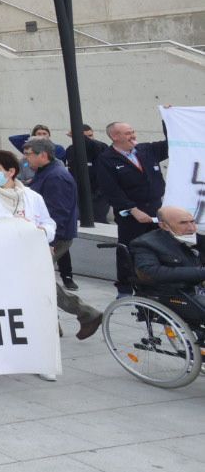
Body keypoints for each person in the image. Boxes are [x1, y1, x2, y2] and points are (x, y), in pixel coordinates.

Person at [0, 148, 102, 342]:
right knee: (36, 286)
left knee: (38, 286)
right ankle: (78, 315)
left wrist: (42, 234)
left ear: (11, 171)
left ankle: (63, 321)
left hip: (29, 251)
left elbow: (49, 223)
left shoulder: (31, 197)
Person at [95, 120, 170, 296]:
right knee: (127, 250)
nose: (133, 135)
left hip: (155, 210)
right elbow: (111, 190)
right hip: (130, 214)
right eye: (128, 133)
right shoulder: (106, 159)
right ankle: (125, 288)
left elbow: (171, 143)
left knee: (159, 248)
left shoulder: (147, 150)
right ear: (115, 136)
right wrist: (133, 210)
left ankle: (154, 285)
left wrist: (167, 118)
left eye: (133, 131)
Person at [24, 138, 85, 295]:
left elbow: (58, 213)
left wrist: (52, 241)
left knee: (35, 276)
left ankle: (84, 312)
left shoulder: (56, 176)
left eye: (28, 154)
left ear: (43, 155)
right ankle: (85, 313)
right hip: (47, 234)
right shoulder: (45, 172)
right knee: (36, 277)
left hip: (55, 237)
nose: (25, 158)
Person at [129, 207, 205, 322]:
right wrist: (200, 273)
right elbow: (152, 272)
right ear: (164, 226)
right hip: (175, 293)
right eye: (183, 223)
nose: (191, 227)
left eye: (192, 221)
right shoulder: (145, 244)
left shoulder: (197, 239)